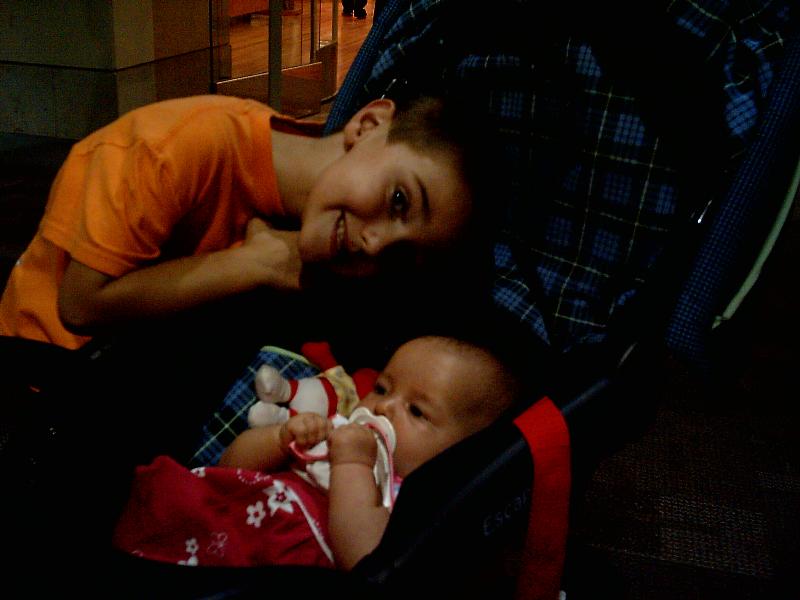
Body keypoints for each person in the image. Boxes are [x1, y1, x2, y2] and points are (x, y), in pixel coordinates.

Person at [0, 94, 481, 350]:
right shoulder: (175, 149)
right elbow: (80, 305)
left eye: (402, 256)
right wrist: (259, 264)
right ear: (368, 123)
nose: (377, 246)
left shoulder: (309, 221)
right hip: (44, 378)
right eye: (399, 200)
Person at [111, 334, 520, 570]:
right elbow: (229, 466)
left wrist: (354, 463)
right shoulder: (335, 429)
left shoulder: (407, 499)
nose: (382, 407)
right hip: (211, 523)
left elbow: (361, 556)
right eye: (382, 388)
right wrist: (279, 438)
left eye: (416, 411)